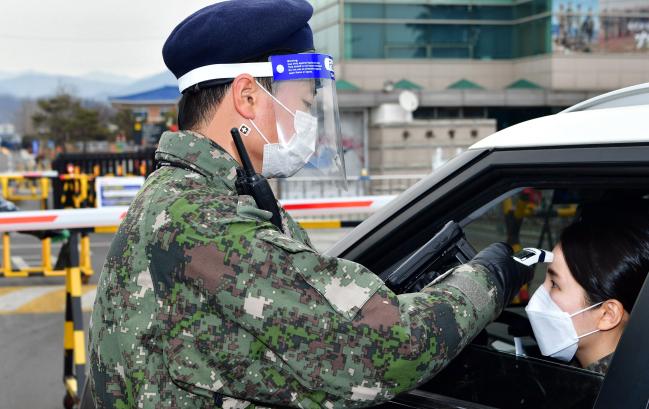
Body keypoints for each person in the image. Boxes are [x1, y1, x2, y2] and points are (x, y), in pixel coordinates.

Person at [88, 1, 531, 408]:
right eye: (303, 103)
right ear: (246, 98)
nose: (309, 122)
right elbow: (382, 352)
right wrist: (490, 277)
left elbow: (313, 292)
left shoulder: (196, 195)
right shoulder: (206, 223)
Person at [526, 201, 649, 374]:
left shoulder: (607, 397)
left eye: (555, 284)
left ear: (607, 315)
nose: (537, 296)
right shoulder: (629, 378)